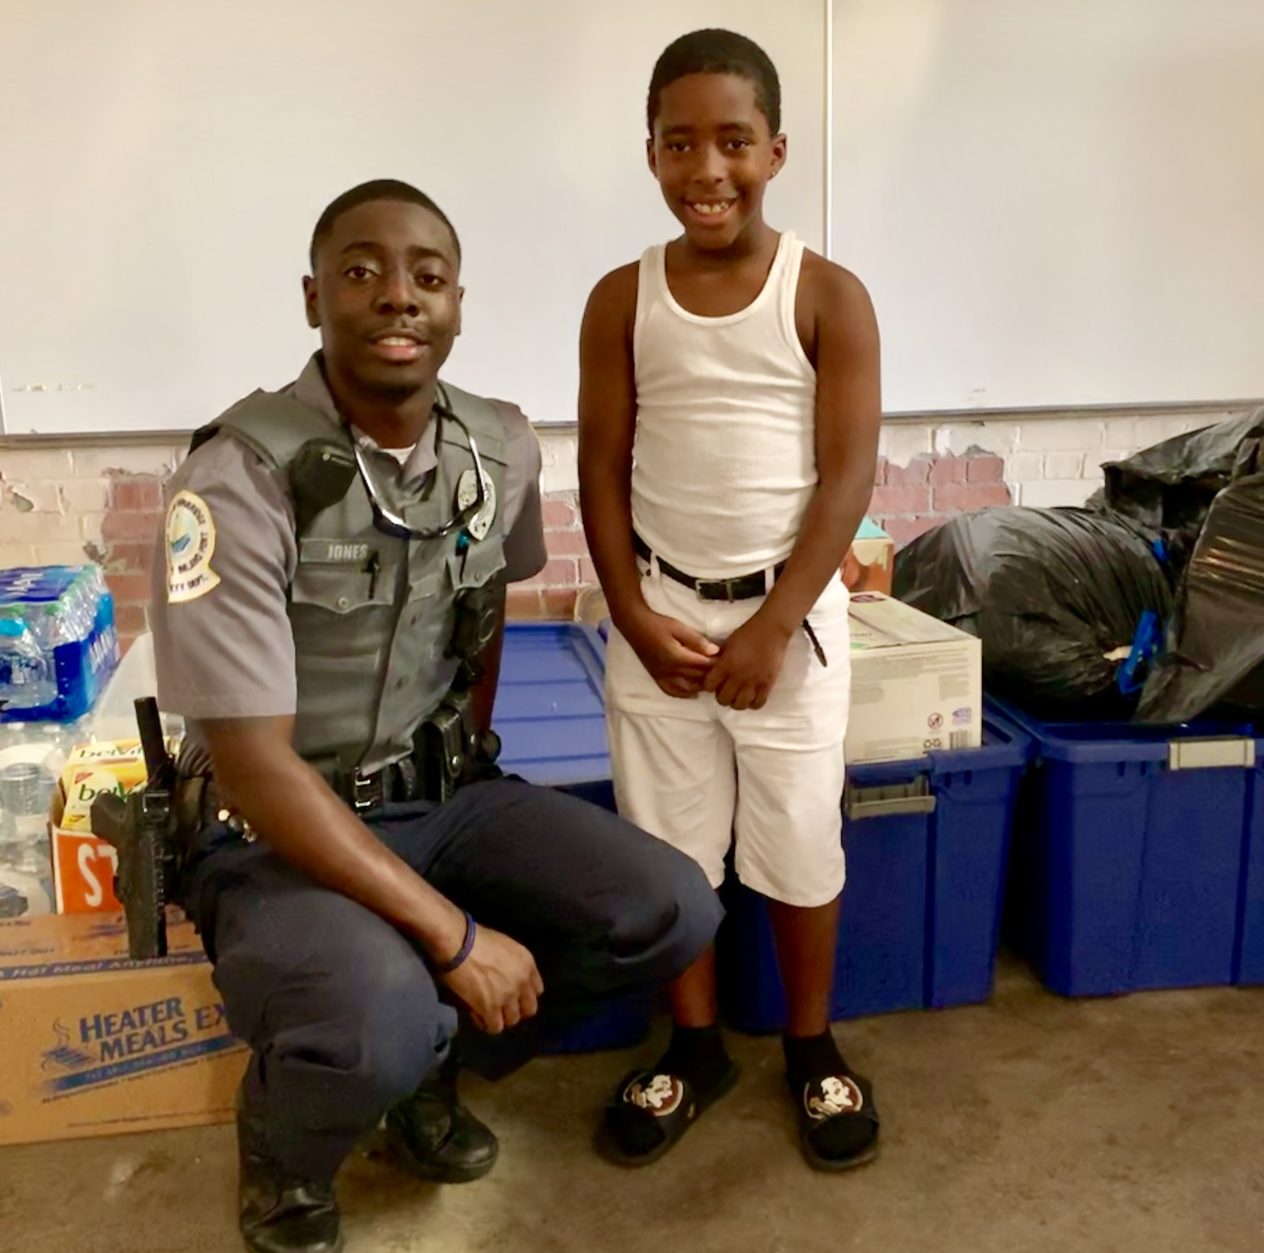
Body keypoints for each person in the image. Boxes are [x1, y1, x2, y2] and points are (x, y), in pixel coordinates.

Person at [151, 179, 721, 1253]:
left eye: (428, 276)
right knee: (378, 1017)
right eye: (362, 272)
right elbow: (255, 766)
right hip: (273, 830)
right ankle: (287, 1145)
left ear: (459, 303)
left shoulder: (500, 448)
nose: (398, 296)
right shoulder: (236, 478)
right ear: (313, 298)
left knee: (669, 907)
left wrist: (467, 767)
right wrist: (454, 933)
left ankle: (430, 1067)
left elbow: (485, 614)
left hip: (440, 797)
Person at [577, 30, 883, 1171]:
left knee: (801, 839)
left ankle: (811, 1044)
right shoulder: (622, 298)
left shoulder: (829, 295)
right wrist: (629, 611)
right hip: (659, 618)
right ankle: (694, 1045)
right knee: (670, 852)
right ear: (652, 152)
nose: (708, 169)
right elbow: (600, 466)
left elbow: (847, 477)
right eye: (681, 143)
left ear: (777, 151)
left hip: (787, 627)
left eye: (734, 142)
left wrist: (773, 624)